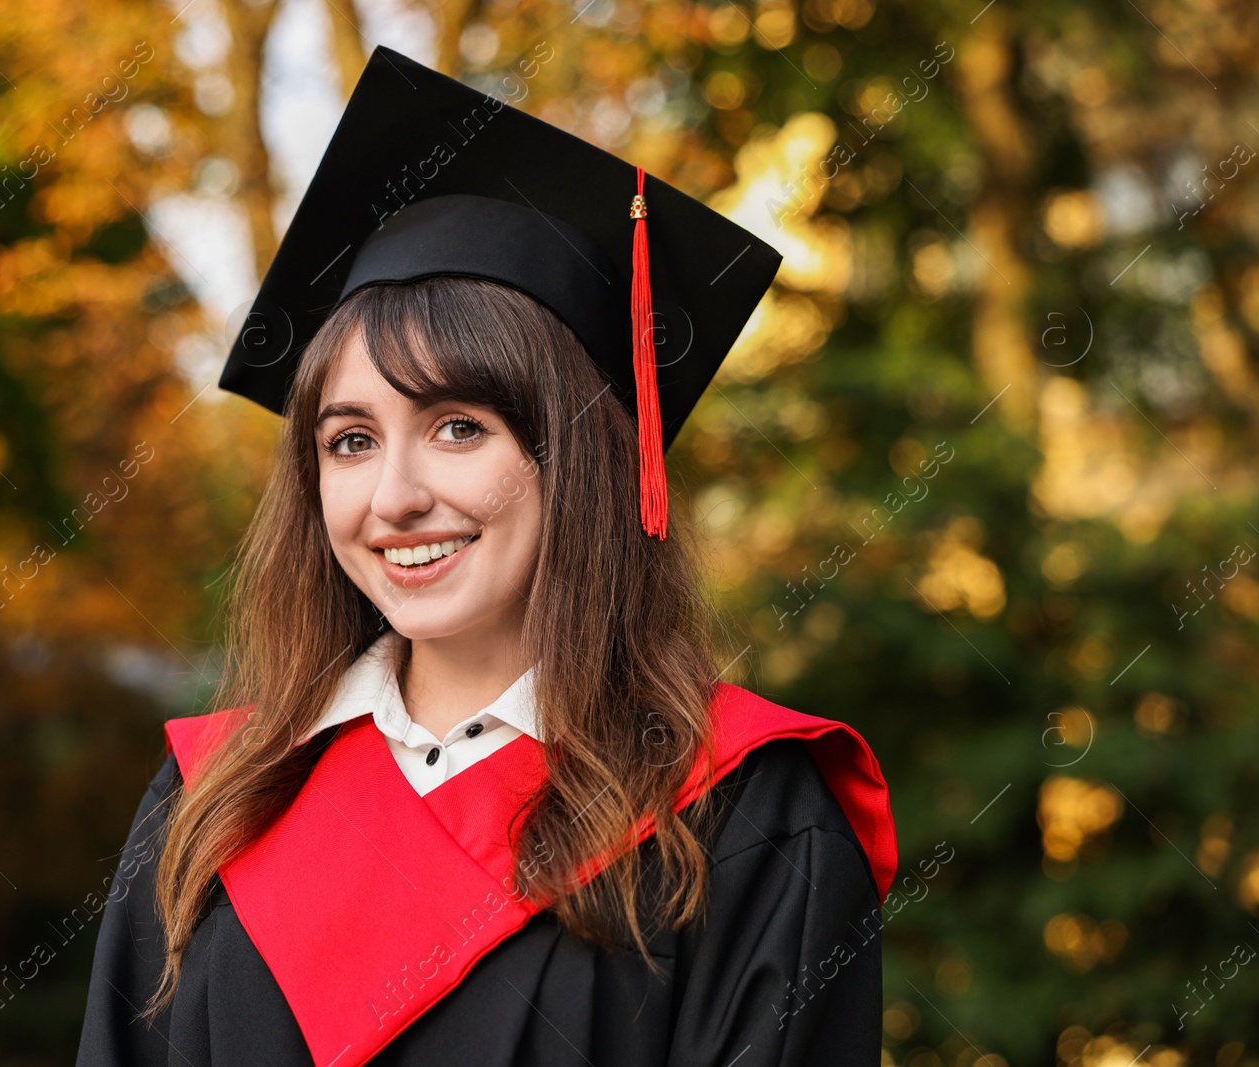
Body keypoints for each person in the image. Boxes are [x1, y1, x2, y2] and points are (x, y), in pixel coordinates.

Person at [76, 46, 897, 1067]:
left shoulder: (742, 813)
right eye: (350, 439)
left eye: (459, 427)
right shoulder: (215, 795)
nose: (394, 496)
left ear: (582, 458)